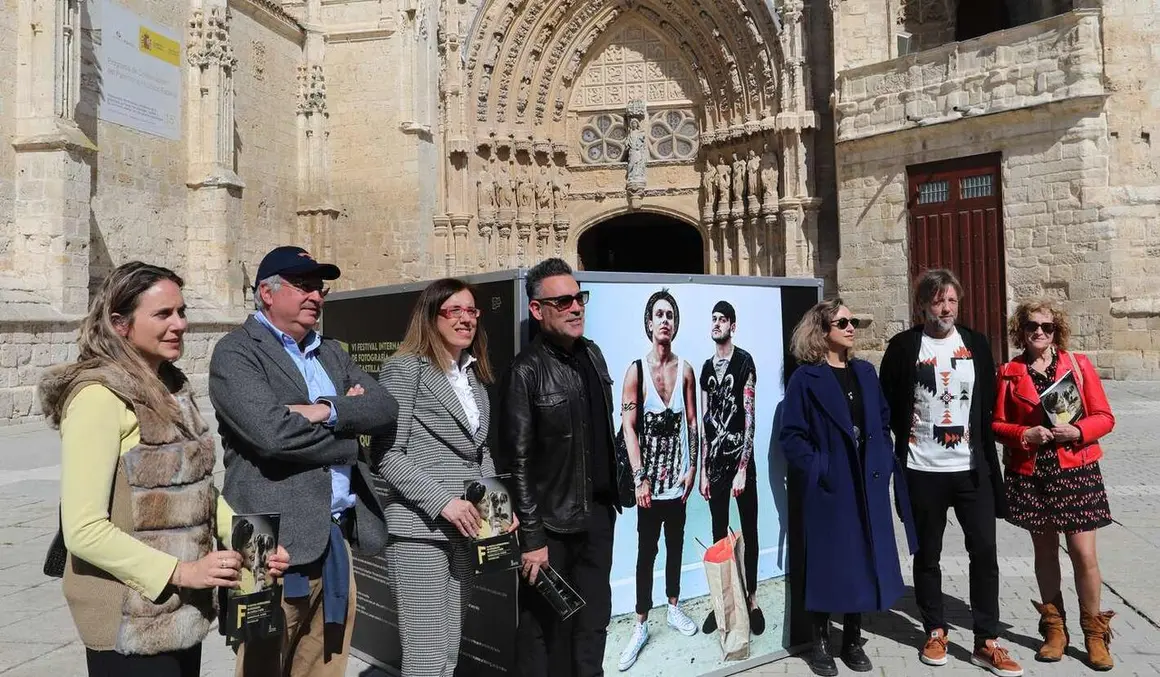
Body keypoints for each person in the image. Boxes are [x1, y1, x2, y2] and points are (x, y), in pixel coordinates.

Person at [37, 262, 289, 677]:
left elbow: (200, 490)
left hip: (180, 609)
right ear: (120, 323)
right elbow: (83, 530)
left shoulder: (172, 387)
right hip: (126, 620)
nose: (180, 325)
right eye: (163, 314)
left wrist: (255, 542)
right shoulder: (99, 397)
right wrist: (183, 571)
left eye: (182, 312)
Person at [210, 246, 398, 677]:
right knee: (264, 665)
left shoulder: (329, 351)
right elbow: (272, 435)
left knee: (326, 664)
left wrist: (322, 409)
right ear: (267, 293)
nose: (315, 295)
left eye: (320, 287)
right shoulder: (237, 352)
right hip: (274, 544)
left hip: (334, 539)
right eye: (303, 285)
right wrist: (350, 437)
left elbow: (386, 406)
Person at [879, 269, 1023, 676]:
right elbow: (888, 401)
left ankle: (986, 640)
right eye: (938, 300)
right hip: (922, 470)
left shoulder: (975, 344)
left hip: (971, 471)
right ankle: (935, 629)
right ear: (923, 305)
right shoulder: (904, 347)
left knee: (985, 553)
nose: (946, 308)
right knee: (928, 555)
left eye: (952, 301)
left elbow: (988, 403)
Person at [371, 278, 515, 677]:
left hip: (467, 531)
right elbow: (386, 454)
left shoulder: (473, 377)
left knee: (449, 653)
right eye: (455, 311)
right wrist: (443, 502)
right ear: (432, 317)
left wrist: (497, 511)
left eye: (472, 311)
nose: (466, 319)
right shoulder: (405, 370)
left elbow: (478, 453)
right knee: (425, 658)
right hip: (420, 532)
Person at [496, 257, 620, 677]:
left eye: (579, 297)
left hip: (598, 515)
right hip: (550, 526)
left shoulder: (594, 355)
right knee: (543, 630)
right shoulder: (526, 370)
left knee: (594, 621)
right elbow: (518, 461)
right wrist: (532, 537)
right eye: (563, 300)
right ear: (537, 309)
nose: (576, 307)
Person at [779, 299, 916, 676]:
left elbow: (883, 419)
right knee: (829, 563)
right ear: (822, 332)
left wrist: (884, 456)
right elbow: (791, 436)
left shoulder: (865, 372)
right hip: (831, 486)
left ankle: (852, 639)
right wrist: (820, 466)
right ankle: (820, 642)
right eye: (842, 322)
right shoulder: (805, 380)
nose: (851, 327)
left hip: (867, 484)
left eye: (852, 320)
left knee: (863, 559)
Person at [992, 300, 1117, 670]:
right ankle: (1055, 630)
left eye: (1047, 326)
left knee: (1084, 555)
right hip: (1033, 473)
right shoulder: (1010, 372)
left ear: (1056, 330)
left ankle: (1095, 634)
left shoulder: (1077, 365)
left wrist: (1078, 430)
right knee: (1045, 554)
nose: (1040, 332)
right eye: (1032, 326)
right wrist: (1024, 434)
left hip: (1076, 469)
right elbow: (997, 425)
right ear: (1022, 330)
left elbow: (1105, 417)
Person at [617, 289, 700, 671]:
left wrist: (692, 468)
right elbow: (629, 428)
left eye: (670, 315)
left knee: (675, 547)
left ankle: (673, 606)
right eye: (659, 314)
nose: (665, 320)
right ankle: (640, 623)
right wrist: (639, 478)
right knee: (645, 552)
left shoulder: (685, 369)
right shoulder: (635, 370)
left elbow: (693, 423)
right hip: (649, 483)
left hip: (677, 481)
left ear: (675, 323)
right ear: (649, 323)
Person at [697, 301, 763, 636]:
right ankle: (722, 603)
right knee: (718, 535)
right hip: (716, 464)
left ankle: (751, 599)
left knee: (749, 531)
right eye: (714, 319)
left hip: (740, 461)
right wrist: (705, 470)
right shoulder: (707, 369)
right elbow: (706, 423)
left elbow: (749, 418)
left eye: (723, 320)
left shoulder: (744, 362)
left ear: (732, 326)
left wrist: (742, 467)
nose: (717, 324)